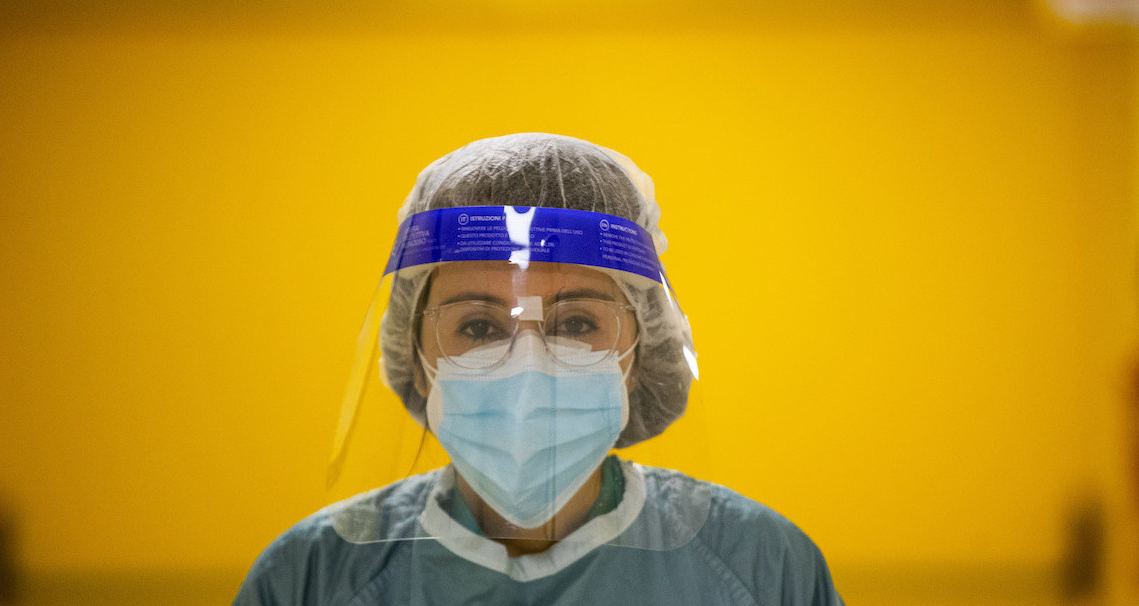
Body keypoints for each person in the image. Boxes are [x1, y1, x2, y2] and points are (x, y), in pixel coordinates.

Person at [235, 133, 845, 605]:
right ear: (418, 362)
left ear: (641, 353)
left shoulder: (761, 567)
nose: (528, 367)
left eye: (578, 324)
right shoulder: (311, 577)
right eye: (477, 327)